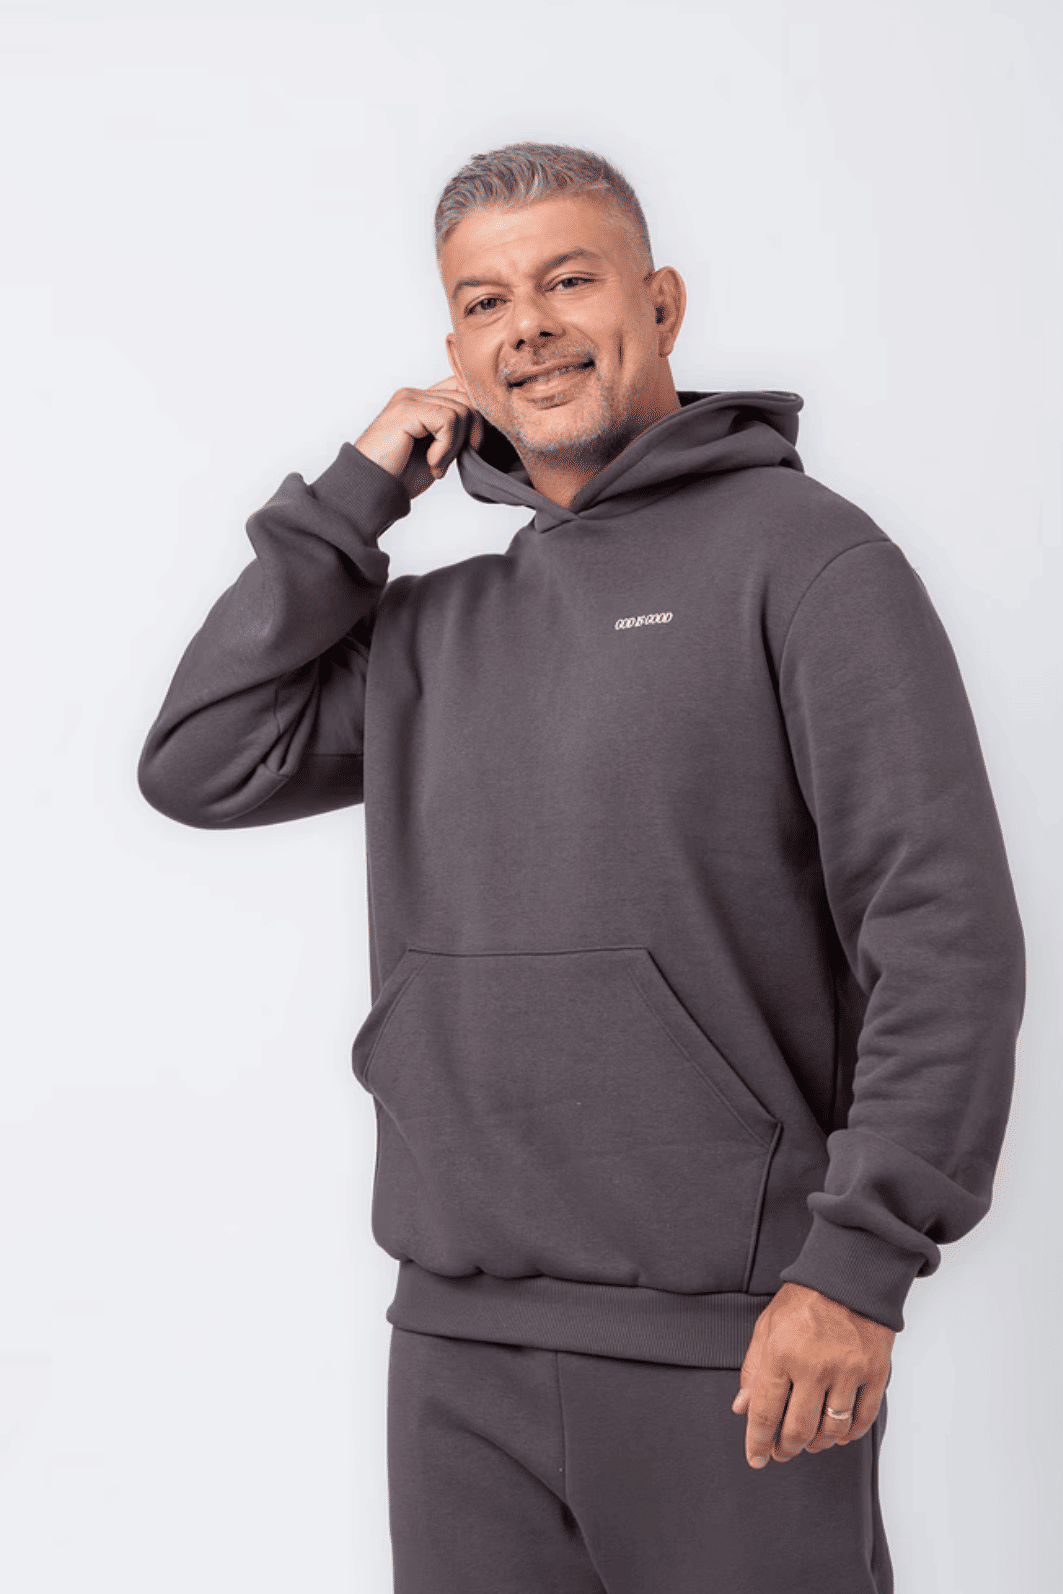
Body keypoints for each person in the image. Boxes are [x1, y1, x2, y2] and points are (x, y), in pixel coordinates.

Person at [137, 143, 1026, 1593]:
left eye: (567, 281)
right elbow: (202, 758)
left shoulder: (807, 561)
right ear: (454, 353)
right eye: (484, 302)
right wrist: (353, 499)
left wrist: (858, 1265)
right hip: (456, 1343)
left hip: (742, 1340)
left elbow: (942, 938)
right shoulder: (439, 627)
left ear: (659, 303)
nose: (529, 328)